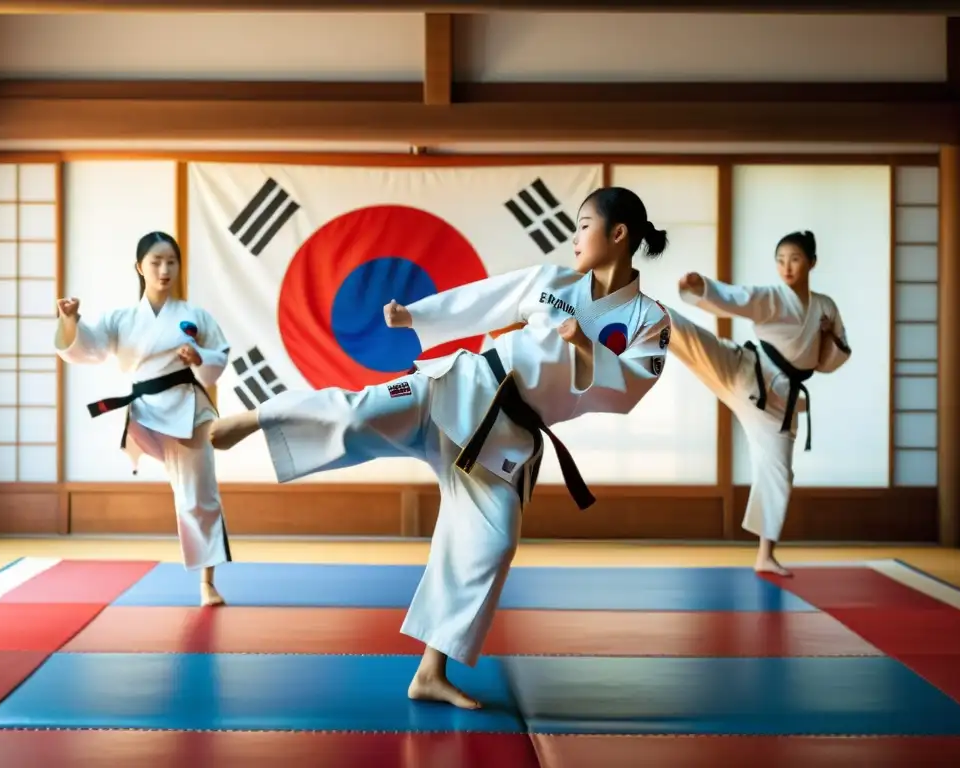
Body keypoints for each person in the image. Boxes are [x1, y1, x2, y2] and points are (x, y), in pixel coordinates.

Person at [209, 187, 672, 708]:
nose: (574, 236)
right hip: (459, 387)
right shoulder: (552, 280)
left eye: (584, 224)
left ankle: (431, 670)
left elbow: (630, 388)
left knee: (490, 544)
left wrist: (585, 346)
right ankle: (256, 417)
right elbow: (484, 299)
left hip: (509, 436)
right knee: (360, 411)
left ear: (618, 234)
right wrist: (417, 316)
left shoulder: (648, 319)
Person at [54, 231, 233, 607]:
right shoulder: (122, 319)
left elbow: (219, 357)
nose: (164, 269)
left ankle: (207, 583)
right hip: (145, 412)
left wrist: (199, 357)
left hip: (188, 409)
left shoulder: (194, 315)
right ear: (140, 267)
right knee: (183, 492)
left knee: (198, 496)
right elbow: (85, 345)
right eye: (156, 262)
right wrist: (70, 320)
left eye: (171, 262)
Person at [667, 230, 851, 576]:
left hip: (779, 405)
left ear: (811, 262)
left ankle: (765, 554)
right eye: (780, 260)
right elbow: (738, 297)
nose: (787, 267)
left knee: (779, 473)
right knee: (690, 338)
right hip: (745, 372)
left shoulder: (825, 307)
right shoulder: (772, 298)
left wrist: (827, 334)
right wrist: (701, 287)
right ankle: (638, 315)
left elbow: (830, 360)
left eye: (795, 259)